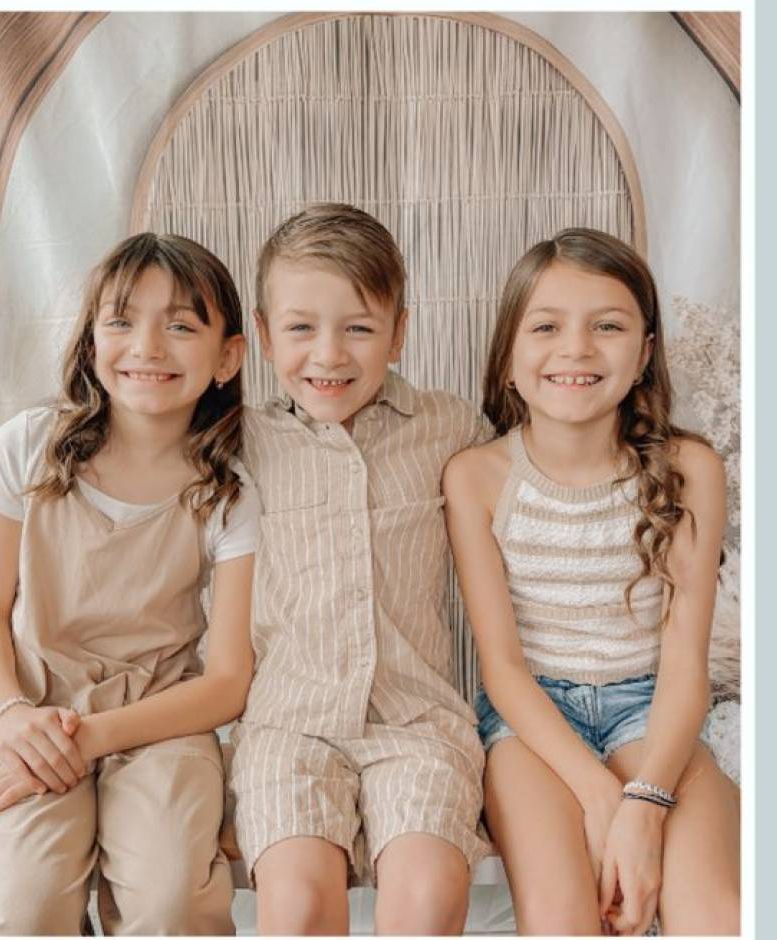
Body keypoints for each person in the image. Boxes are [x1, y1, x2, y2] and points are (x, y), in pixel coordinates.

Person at [0, 233, 255, 935]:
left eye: (181, 325)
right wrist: (12, 718)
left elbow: (228, 681)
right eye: (121, 321)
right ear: (91, 343)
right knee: (28, 904)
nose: (148, 345)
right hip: (30, 712)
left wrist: (90, 738)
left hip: (159, 723)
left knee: (171, 897)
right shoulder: (26, 448)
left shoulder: (231, 492)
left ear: (227, 357)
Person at [443, 229, 738, 935]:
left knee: (718, 918)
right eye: (546, 326)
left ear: (643, 354)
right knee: (561, 924)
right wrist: (599, 795)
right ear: (509, 356)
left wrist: (643, 804)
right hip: (532, 721)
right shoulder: (477, 477)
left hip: (653, 707)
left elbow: (683, 666)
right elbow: (504, 670)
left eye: (608, 326)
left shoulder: (689, 469)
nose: (576, 349)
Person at [231, 203, 489, 935]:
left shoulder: (452, 429)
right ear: (263, 332)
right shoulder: (240, 442)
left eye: (360, 328)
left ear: (400, 331)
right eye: (301, 328)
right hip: (289, 726)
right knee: (299, 906)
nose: (329, 355)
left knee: (430, 894)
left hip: (416, 721)